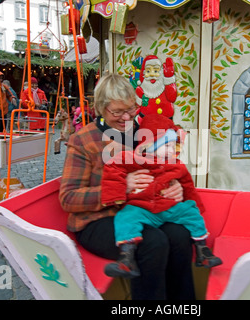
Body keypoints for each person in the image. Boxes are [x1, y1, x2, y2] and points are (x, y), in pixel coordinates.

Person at [59, 73, 196, 300]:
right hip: (96, 220)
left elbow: (165, 169)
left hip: (141, 211)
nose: (126, 118)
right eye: (117, 112)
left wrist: (176, 187)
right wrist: (120, 189)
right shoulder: (84, 140)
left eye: (131, 110)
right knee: (152, 243)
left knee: (180, 234)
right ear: (101, 109)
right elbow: (69, 198)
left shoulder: (144, 133)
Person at [101, 114, 222, 278]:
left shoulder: (175, 165)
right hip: (142, 208)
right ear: (150, 145)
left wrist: (194, 204)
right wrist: (115, 196)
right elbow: (113, 169)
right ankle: (126, 257)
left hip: (169, 207)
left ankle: (203, 251)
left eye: (174, 147)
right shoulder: (133, 159)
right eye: (167, 146)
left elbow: (187, 185)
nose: (171, 151)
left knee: (191, 212)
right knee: (125, 217)